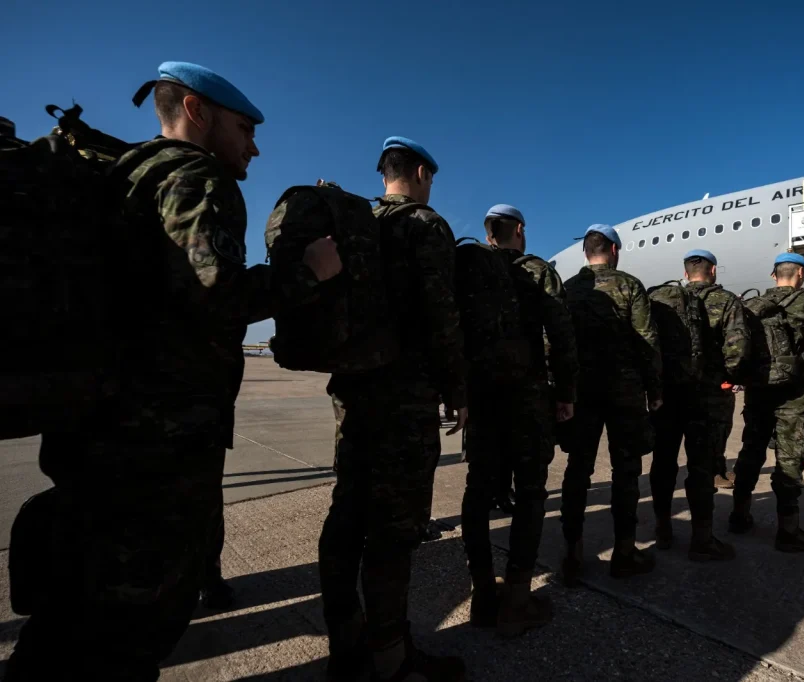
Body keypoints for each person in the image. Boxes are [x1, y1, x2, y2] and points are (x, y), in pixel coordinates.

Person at [6, 61, 342, 681]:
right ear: (197, 111)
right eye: (245, 128)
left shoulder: (123, 173)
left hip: (95, 422)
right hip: (157, 441)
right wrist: (311, 272)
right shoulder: (196, 175)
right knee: (132, 624)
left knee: (74, 608)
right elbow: (217, 294)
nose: (254, 146)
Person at [318, 136, 468, 682]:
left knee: (346, 513)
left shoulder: (356, 223)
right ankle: (391, 660)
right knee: (392, 529)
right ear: (422, 172)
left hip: (352, 390)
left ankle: (346, 646)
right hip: (404, 396)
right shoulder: (425, 225)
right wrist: (457, 387)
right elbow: (442, 315)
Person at [461, 203, 578, 637]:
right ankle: (516, 598)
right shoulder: (539, 271)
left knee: (478, 492)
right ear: (521, 231)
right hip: (528, 400)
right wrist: (566, 393)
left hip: (482, 400)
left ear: (489, 233)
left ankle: (480, 593)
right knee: (530, 493)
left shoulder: (471, 269)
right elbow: (561, 335)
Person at [561, 224, 662, 583]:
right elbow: (646, 339)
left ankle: (572, 555)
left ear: (585, 253)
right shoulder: (629, 286)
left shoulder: (569, 289)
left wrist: (562, 391)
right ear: (615, 250)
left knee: (577, 470)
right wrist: (655, 390)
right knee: (626, 471)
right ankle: (623, 552)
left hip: (581, 393)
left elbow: (557, 344)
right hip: (625, 392)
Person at [730, 253, 804, 552]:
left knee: (751, 452)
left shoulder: (753, 305)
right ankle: (788, 531)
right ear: (801, 274)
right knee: (790, 459)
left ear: (773, 276)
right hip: (794, 394)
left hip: (758, 392)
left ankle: (739, 516)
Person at [649, 249, 748, 560]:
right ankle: (702, 539)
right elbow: (738, 347)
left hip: (667, 395)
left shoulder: (662, 300)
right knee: (701, 466)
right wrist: (728, 377)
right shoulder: (727, 301)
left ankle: (663, 528)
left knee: (663, 462)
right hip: (706, 397)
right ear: (713, 270)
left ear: (685, 271)